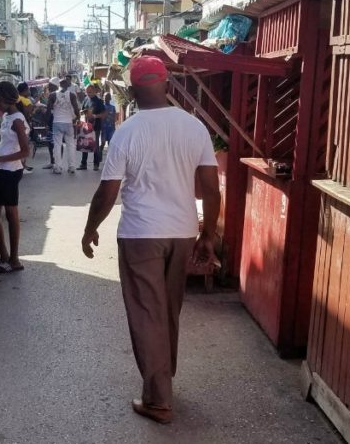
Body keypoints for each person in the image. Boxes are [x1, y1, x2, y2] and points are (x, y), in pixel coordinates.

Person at [81, 55, 221, 425]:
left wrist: (90, 227)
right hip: (182, 232)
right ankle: (164, 380)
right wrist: (208, 235)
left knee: (148, 315)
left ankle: (159, 399)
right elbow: (210, 187)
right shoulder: (194, 127)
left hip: (141, 234)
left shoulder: (128, 131)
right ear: (165, 83)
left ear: (132, 88)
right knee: (167, 311)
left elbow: (107, 191)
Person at [0, 81, 31, 274]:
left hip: (11, 170)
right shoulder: (7, 116)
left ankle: (14, 259)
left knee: (9, 215)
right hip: (4, 169)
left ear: (5, 99)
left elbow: (25, 151)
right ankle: (4, 256)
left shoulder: (17, 119)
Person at [49, 77, 80, 174]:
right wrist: (77, 118)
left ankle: (58, 167)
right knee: (70, 145)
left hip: (57, 122)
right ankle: (72, 167)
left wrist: (47, 122)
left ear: (59, 85)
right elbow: (76, 109)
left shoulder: (53, 95)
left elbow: (48, 109)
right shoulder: (72, 95)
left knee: (57, 145)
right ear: (68, 85)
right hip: (68, 123)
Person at [78, 85, 106, 171]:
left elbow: (104, 114)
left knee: (95, 146)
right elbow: (81, 111)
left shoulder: (99, 101)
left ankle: (96, 164)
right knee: (84, 145)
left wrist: (95, 116)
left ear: (94, 91)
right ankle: (83, 164)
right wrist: (83, 113)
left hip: (95, 126)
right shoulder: (86, 99)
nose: (88, 94)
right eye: (87, 92)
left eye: (90, 92)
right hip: (86, 126)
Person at [17, 82, 36, 174]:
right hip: (24, 125)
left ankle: (22, 165)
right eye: (28, 89)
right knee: (24, 145)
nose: (29, 91)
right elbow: (29, 113)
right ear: (24, 91)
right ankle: (22, 166)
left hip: (16, 124)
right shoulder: (26, 100)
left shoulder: (16, 98)